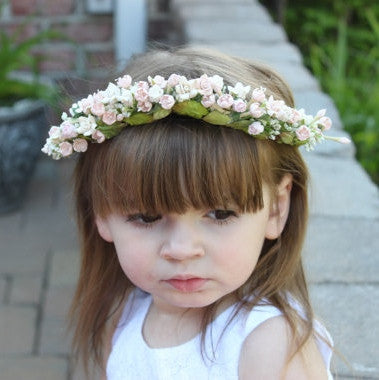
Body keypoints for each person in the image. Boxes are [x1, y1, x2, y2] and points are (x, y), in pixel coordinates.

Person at [43, 47, 347, 379]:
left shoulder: (270, 345)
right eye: (146, 217)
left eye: (219, 214)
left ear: (275, 208)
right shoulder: (125, 312)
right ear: (100, 212)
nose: (182, 249)